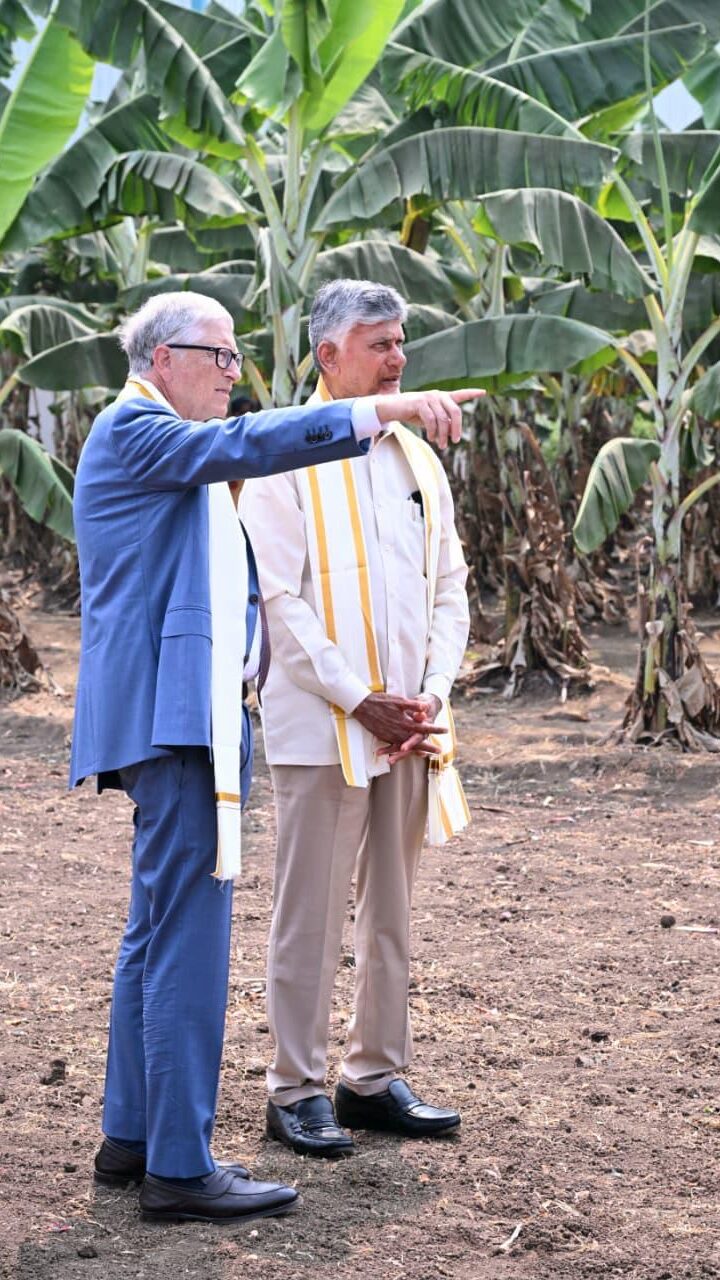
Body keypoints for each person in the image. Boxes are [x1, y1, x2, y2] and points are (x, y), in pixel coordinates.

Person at [70, 290, 480, 1223]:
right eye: (219, 358)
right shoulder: (138, 429)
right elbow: (248, 450)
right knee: (186, 942)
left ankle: (131, 1137)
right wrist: (384, 411)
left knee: (153, 934)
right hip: (172, 723)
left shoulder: (158, 436)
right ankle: (180, 1163)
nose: (233, 376)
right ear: (163, 357)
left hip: (181, 719)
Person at [240, 280, 472, 1159]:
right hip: (320, 724)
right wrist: (356, 697)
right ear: (327, 356)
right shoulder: (283, 456)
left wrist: (431, 693)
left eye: (401, 341)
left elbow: (448, 586)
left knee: (392, 909)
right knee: (310, 910)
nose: (398, 359)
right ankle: (294, 1088)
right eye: (379, 343)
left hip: (410, 723)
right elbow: (279, 601)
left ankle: (373, 1076)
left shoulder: (416, 459)